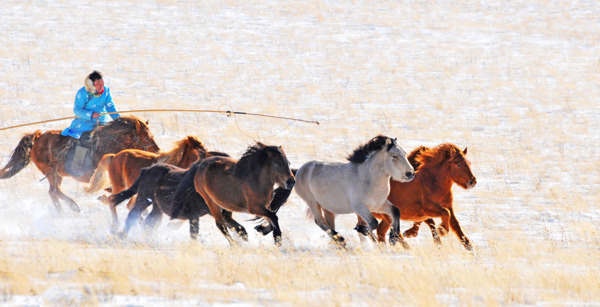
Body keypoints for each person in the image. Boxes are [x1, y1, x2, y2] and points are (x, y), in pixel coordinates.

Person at [61, 71, 121, 171]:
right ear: (91, 85)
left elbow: (110, 108)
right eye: (98, 84)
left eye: (102, 83)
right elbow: (77, 110)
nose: (101, 86)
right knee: (87, 138)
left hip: (101, 121)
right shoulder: (82, 93)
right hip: (85, 122)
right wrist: (91, 114)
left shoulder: (106, 91)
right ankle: (77, 165)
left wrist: (119, 120)